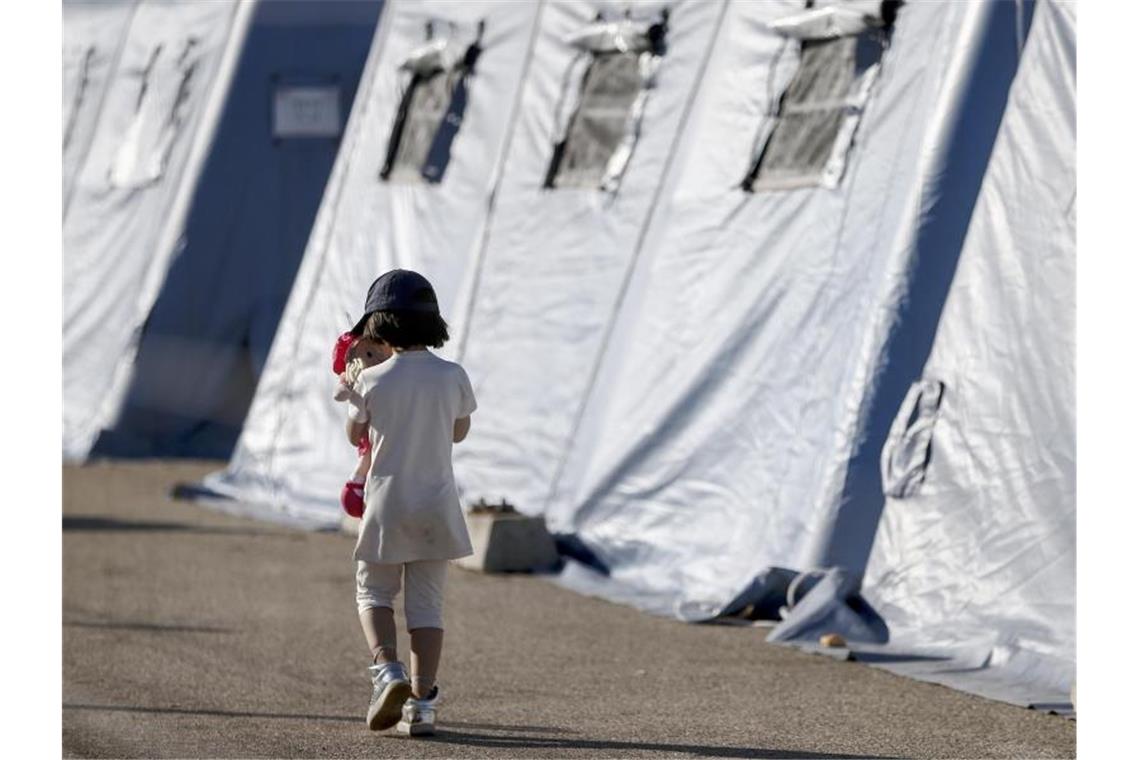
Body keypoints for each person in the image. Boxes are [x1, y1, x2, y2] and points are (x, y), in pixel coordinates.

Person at [334, 269, 476, 736]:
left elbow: (356, 436)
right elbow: (458, 432)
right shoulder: (453, 376)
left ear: (379, 322)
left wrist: (355, 391)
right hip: (436, 505)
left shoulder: (373, 380)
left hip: (386, 503)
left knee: (373, 592)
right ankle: (422, 703)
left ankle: (386, 672)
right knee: (427, 609)